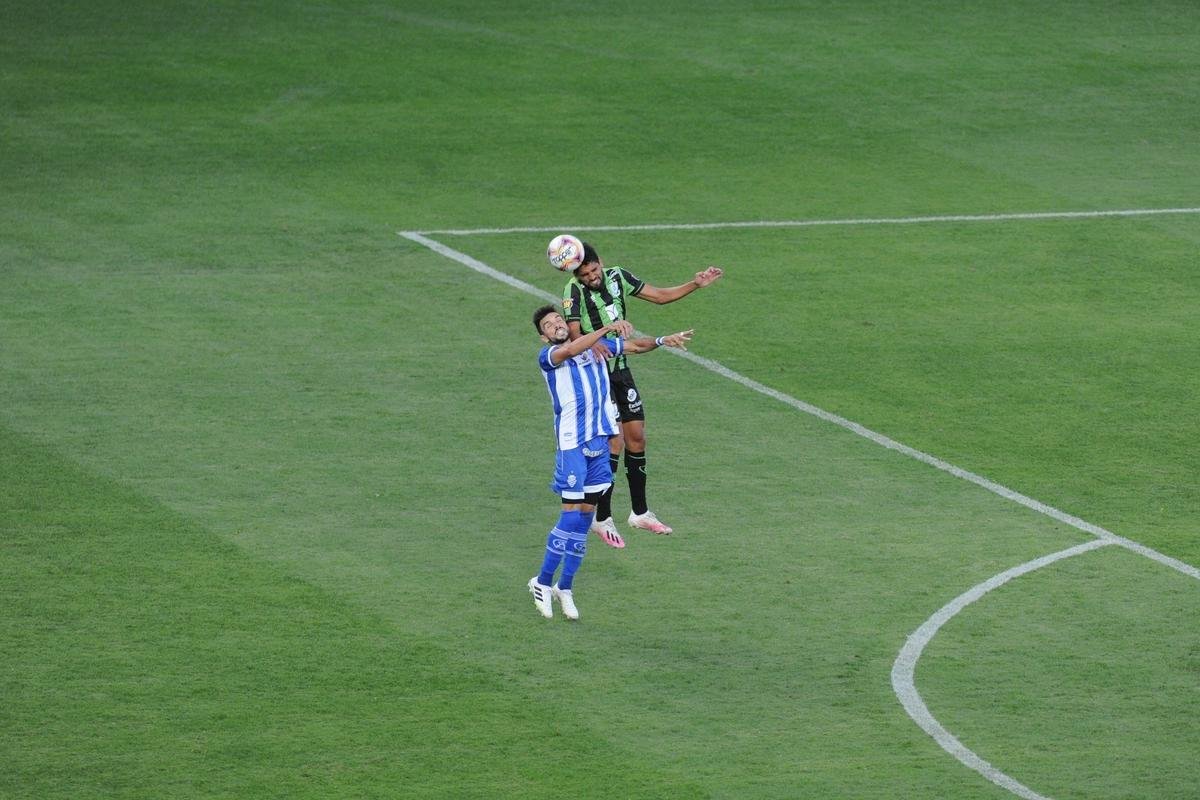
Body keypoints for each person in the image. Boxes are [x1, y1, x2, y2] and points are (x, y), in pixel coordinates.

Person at [528, 304, 693, 620]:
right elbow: (571, 349)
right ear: (543, 337)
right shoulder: (549, 357)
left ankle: (565, 587)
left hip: (599, 443)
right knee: (570, 518)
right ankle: (542, 582)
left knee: (584, 520)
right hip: (572, 445)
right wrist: (605, 328)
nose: (556, 324)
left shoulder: (596, 349)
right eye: (549, 325)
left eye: (559, 319)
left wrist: (661, 340)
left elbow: (635, 346)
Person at [562, 241, 723, 546]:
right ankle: (601, 517)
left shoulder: (618, 276)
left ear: (600, 263)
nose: (591, 277)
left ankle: (640, 512)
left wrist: (695, 284)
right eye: (585, 275)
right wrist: (603, 334)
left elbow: (659, 296)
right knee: (614, 441)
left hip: (621, 369)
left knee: (636, 437)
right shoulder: (573, 291)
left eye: (594, 271)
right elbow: (574, 334)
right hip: (597, 376)